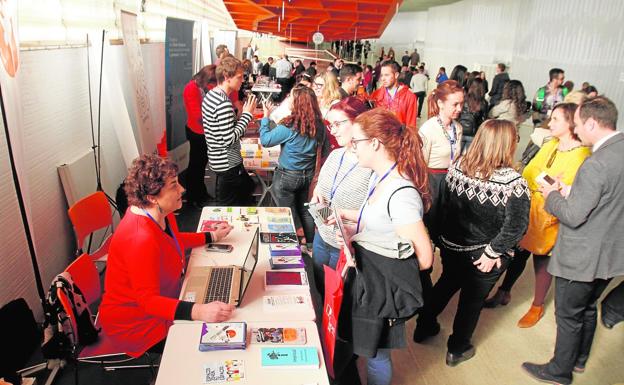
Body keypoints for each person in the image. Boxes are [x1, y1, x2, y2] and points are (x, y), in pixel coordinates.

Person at [522, 96, 624, 384]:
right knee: (588, 307)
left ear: (593, 123)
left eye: (578, 125)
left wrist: (552, 194)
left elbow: (574, 216)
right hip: (611, 255)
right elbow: (608, 199)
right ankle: (579, 359)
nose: (576, 131)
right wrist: (571, 190)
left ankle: (559, 370)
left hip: (582, 255)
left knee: (568, 316)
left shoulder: (596, 163)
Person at [414, 119, 530, 367]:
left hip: (452, 246)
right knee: (471, 302)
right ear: (507, 145)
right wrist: (493, 251)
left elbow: (443, 208)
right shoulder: (513, 183)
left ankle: (423, 327)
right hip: (485, 254)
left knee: (445, 284)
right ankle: (457, 348)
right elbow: (517, 226)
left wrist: (440, 240)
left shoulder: (457, 167)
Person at [334, 108, 433, 385]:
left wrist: (368, 250)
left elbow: (424, 258)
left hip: (382, 287)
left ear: (375, 143)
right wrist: (350, 221)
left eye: (356, 142)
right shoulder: (380, 178)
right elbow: (382, 225)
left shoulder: (401, 193)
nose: (352, 148)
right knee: (369, 349)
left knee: (377, 355)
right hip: (369, 282)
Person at [100, 154, 235, 357]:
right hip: (138, 324)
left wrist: (211, 235)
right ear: (152, 197)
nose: (182, 189)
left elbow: (172, 239)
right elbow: (148, 301)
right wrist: (199, 311)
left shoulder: (160, 212)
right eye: (173, 186)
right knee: (212, 347)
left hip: (164, 300)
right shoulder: (140, 239)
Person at [485, 103, 591, 329]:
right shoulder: (551, 143)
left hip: (552, 215)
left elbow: (569, 188)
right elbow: (532, 171)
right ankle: (504, 292)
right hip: (530, 208)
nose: (549, 123)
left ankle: (537, 305)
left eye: (555, 119)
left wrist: (549, 184)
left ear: (571, 123)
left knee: (543, 260)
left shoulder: (582, 155)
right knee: (518, 253)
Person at [259, 85, 328, 244]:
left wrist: (265, 118)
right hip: (309, 175)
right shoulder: (320, 126)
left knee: (285, 212)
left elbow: (266, 140)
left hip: (286, 176)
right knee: (305, 211)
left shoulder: (290, 125)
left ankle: (289, 245)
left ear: (297, 103)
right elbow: (324, 152)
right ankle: (310, 245)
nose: (289, 99)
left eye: (291, 97)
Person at [309, 97, 372, 270]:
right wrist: (317, 196)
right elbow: (320, 189)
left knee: (341, 295)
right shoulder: (336, 155)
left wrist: (342, 214)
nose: (333, 131)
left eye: (337, 124)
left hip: (348, 245)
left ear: (358, 121)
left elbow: (377, 216)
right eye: (331, 125)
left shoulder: (371, 164)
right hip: (322, 238)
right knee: (318, 289)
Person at [202, 56, 257, 206]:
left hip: (219, 161)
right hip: (228, 164)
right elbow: (229, 138)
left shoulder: (212, 95)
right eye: (239, 77)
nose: (242, 80)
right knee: (227, 205)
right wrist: (247, 115)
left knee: (246, 190)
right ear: (226, 77)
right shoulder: (223, 103)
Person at [419, 80, 464, 244]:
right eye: (455, 104)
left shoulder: (458, 128)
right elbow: (421, 164)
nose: (459, 109)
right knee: (431, 223)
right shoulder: (428, 129)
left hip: (450, 180)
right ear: (440, 103)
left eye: (461, 104)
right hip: (432, 181)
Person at [182, 64, 215, 207]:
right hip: (197, 132)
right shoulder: (191, 88)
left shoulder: (199, 87)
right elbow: (197, 115)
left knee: (200, 165)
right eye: (211, 82)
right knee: (196, 165)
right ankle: (195, 195)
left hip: (201, 131)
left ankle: (200, 193)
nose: (211, 86)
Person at [370, 60, 418, 128]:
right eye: (381, 75)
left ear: (396, 75)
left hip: (399, 137)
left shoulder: (409, 97)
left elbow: (411, 125)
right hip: (380, 136)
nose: (383, 78)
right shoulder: (376, 94)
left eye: (386, 75)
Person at [459, 77, 488, 151]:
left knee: (455, 156)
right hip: (473, 133)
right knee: (469, 158)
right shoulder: (483, 103)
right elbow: (484, 120)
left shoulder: (464, 99)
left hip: (460, 131)